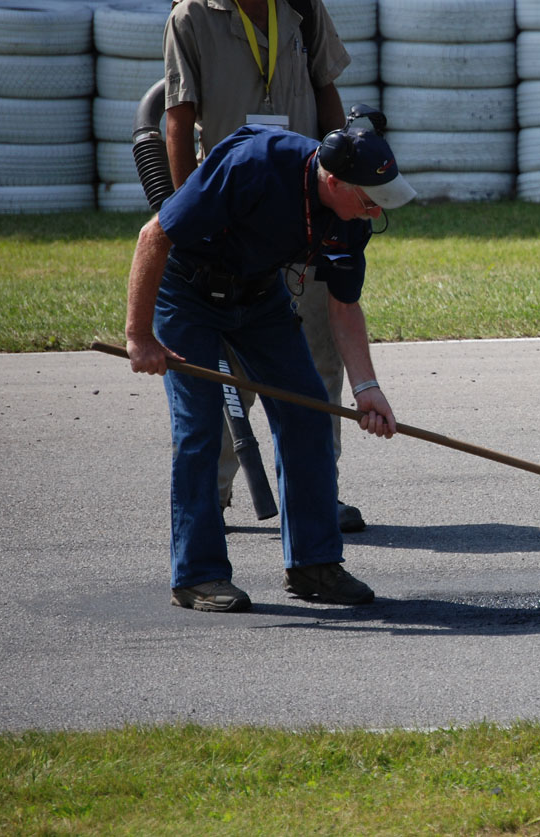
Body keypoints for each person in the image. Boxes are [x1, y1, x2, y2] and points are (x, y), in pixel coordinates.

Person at [124, 113, 417, 612]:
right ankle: (197, 575)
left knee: (308, 412)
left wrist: (367, 387)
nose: (373, 213)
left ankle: (314, 564)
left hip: (260, 296)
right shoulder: (255, 165)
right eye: (368, 201)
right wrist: (139, 336)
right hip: (188, 291)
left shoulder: (351, 222)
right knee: (198, 428)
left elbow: (344, 306)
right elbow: (154, 236)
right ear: (332, 179)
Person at [163, 0, 368, 532]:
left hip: (305, 215)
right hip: (233, 219)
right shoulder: (190, 17)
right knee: (229, 370)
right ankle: (214, 491)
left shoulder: (303, 6)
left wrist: (338, 192)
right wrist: (193, 216)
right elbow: (178, 120)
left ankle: (319, 494)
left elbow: (327, 93)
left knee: (321, 361)